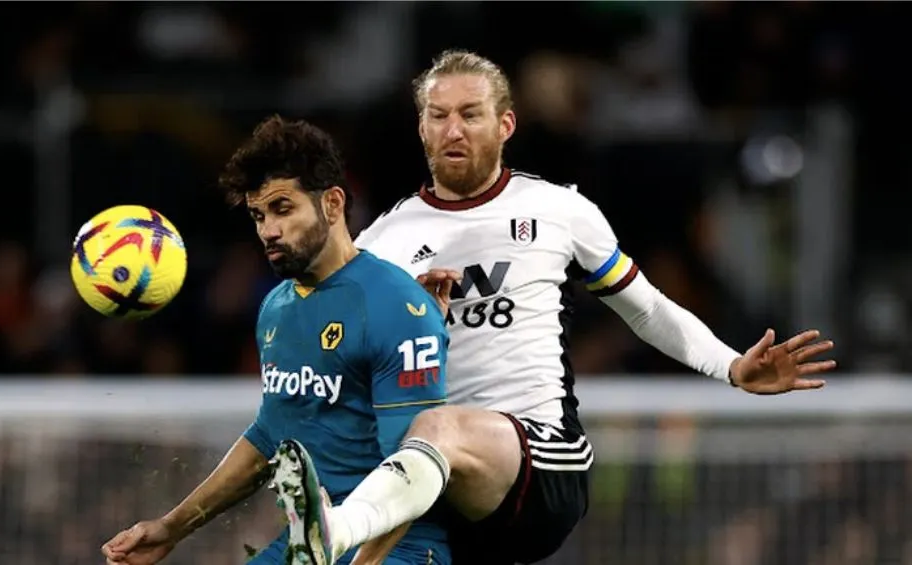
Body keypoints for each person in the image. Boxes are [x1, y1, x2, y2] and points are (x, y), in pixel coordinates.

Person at [273, 50, 838, 565]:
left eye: (470, 114)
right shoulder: (381, 244)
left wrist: (731, 366)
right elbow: (340, 371)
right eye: (438, 116)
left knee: (433, 429)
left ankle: (334, 530)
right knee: (405, 451)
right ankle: (337, 541)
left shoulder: (559, 210)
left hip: (541, 461)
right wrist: (412, 334)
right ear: (421, 127)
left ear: (505, 125)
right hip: (441, 484)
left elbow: (645, 309)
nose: (453, 129)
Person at [100, 116, 454, 565]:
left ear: (332, 204)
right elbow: (269, 438)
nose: (268, 230)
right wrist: (171, 528)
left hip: (399, 546)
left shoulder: (396, 306)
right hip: (312, 546)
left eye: (283, 209)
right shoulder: (276, 308)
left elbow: (414, 473)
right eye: (258, 216)